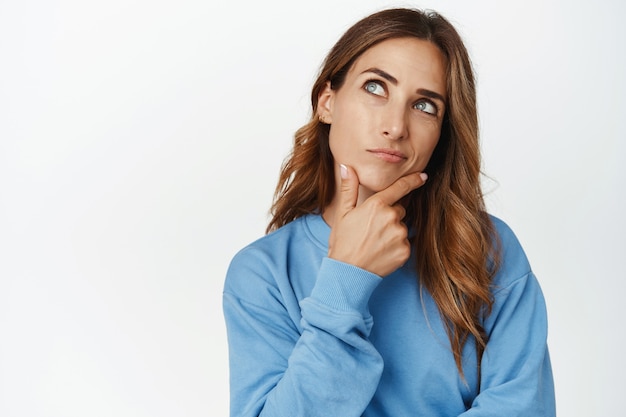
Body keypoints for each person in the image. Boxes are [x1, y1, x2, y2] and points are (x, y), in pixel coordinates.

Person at [223, 7, 555, 417]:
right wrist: (345, 280)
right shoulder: (262, 273)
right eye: (376, 87)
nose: (396, 126)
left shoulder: (488, 249)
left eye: (425, 106)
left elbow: (521, 408)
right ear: (327, 102)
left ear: (442, 133)